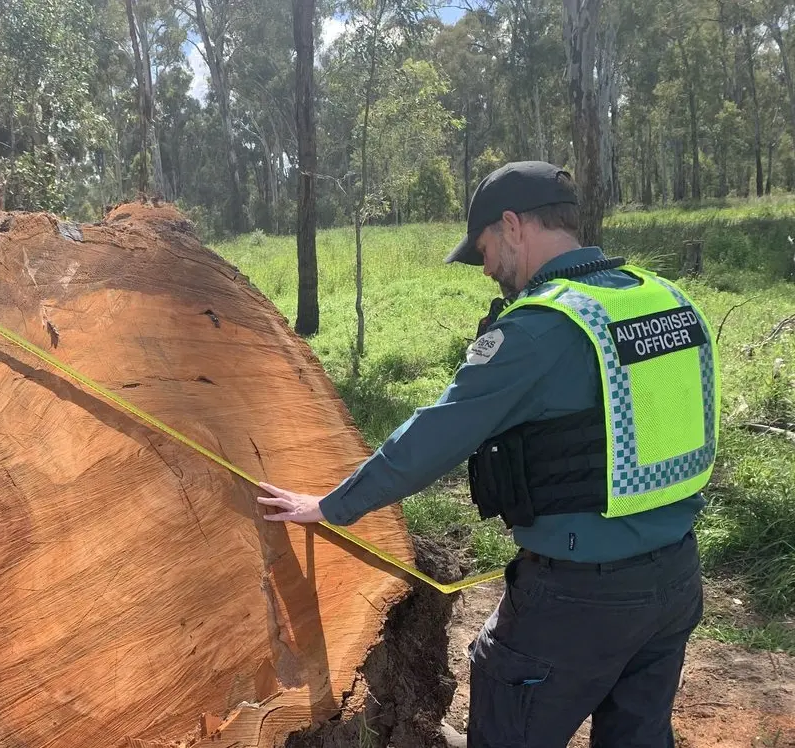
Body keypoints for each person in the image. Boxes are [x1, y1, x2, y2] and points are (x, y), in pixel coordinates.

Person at [255, 161, 718, 748]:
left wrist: (333, 505)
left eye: (486, 251)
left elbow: (438, 434)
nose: (490, 269)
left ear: (512, 226)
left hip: (578, 598)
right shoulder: (668, 302)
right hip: (676, 580)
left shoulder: (542, 328)